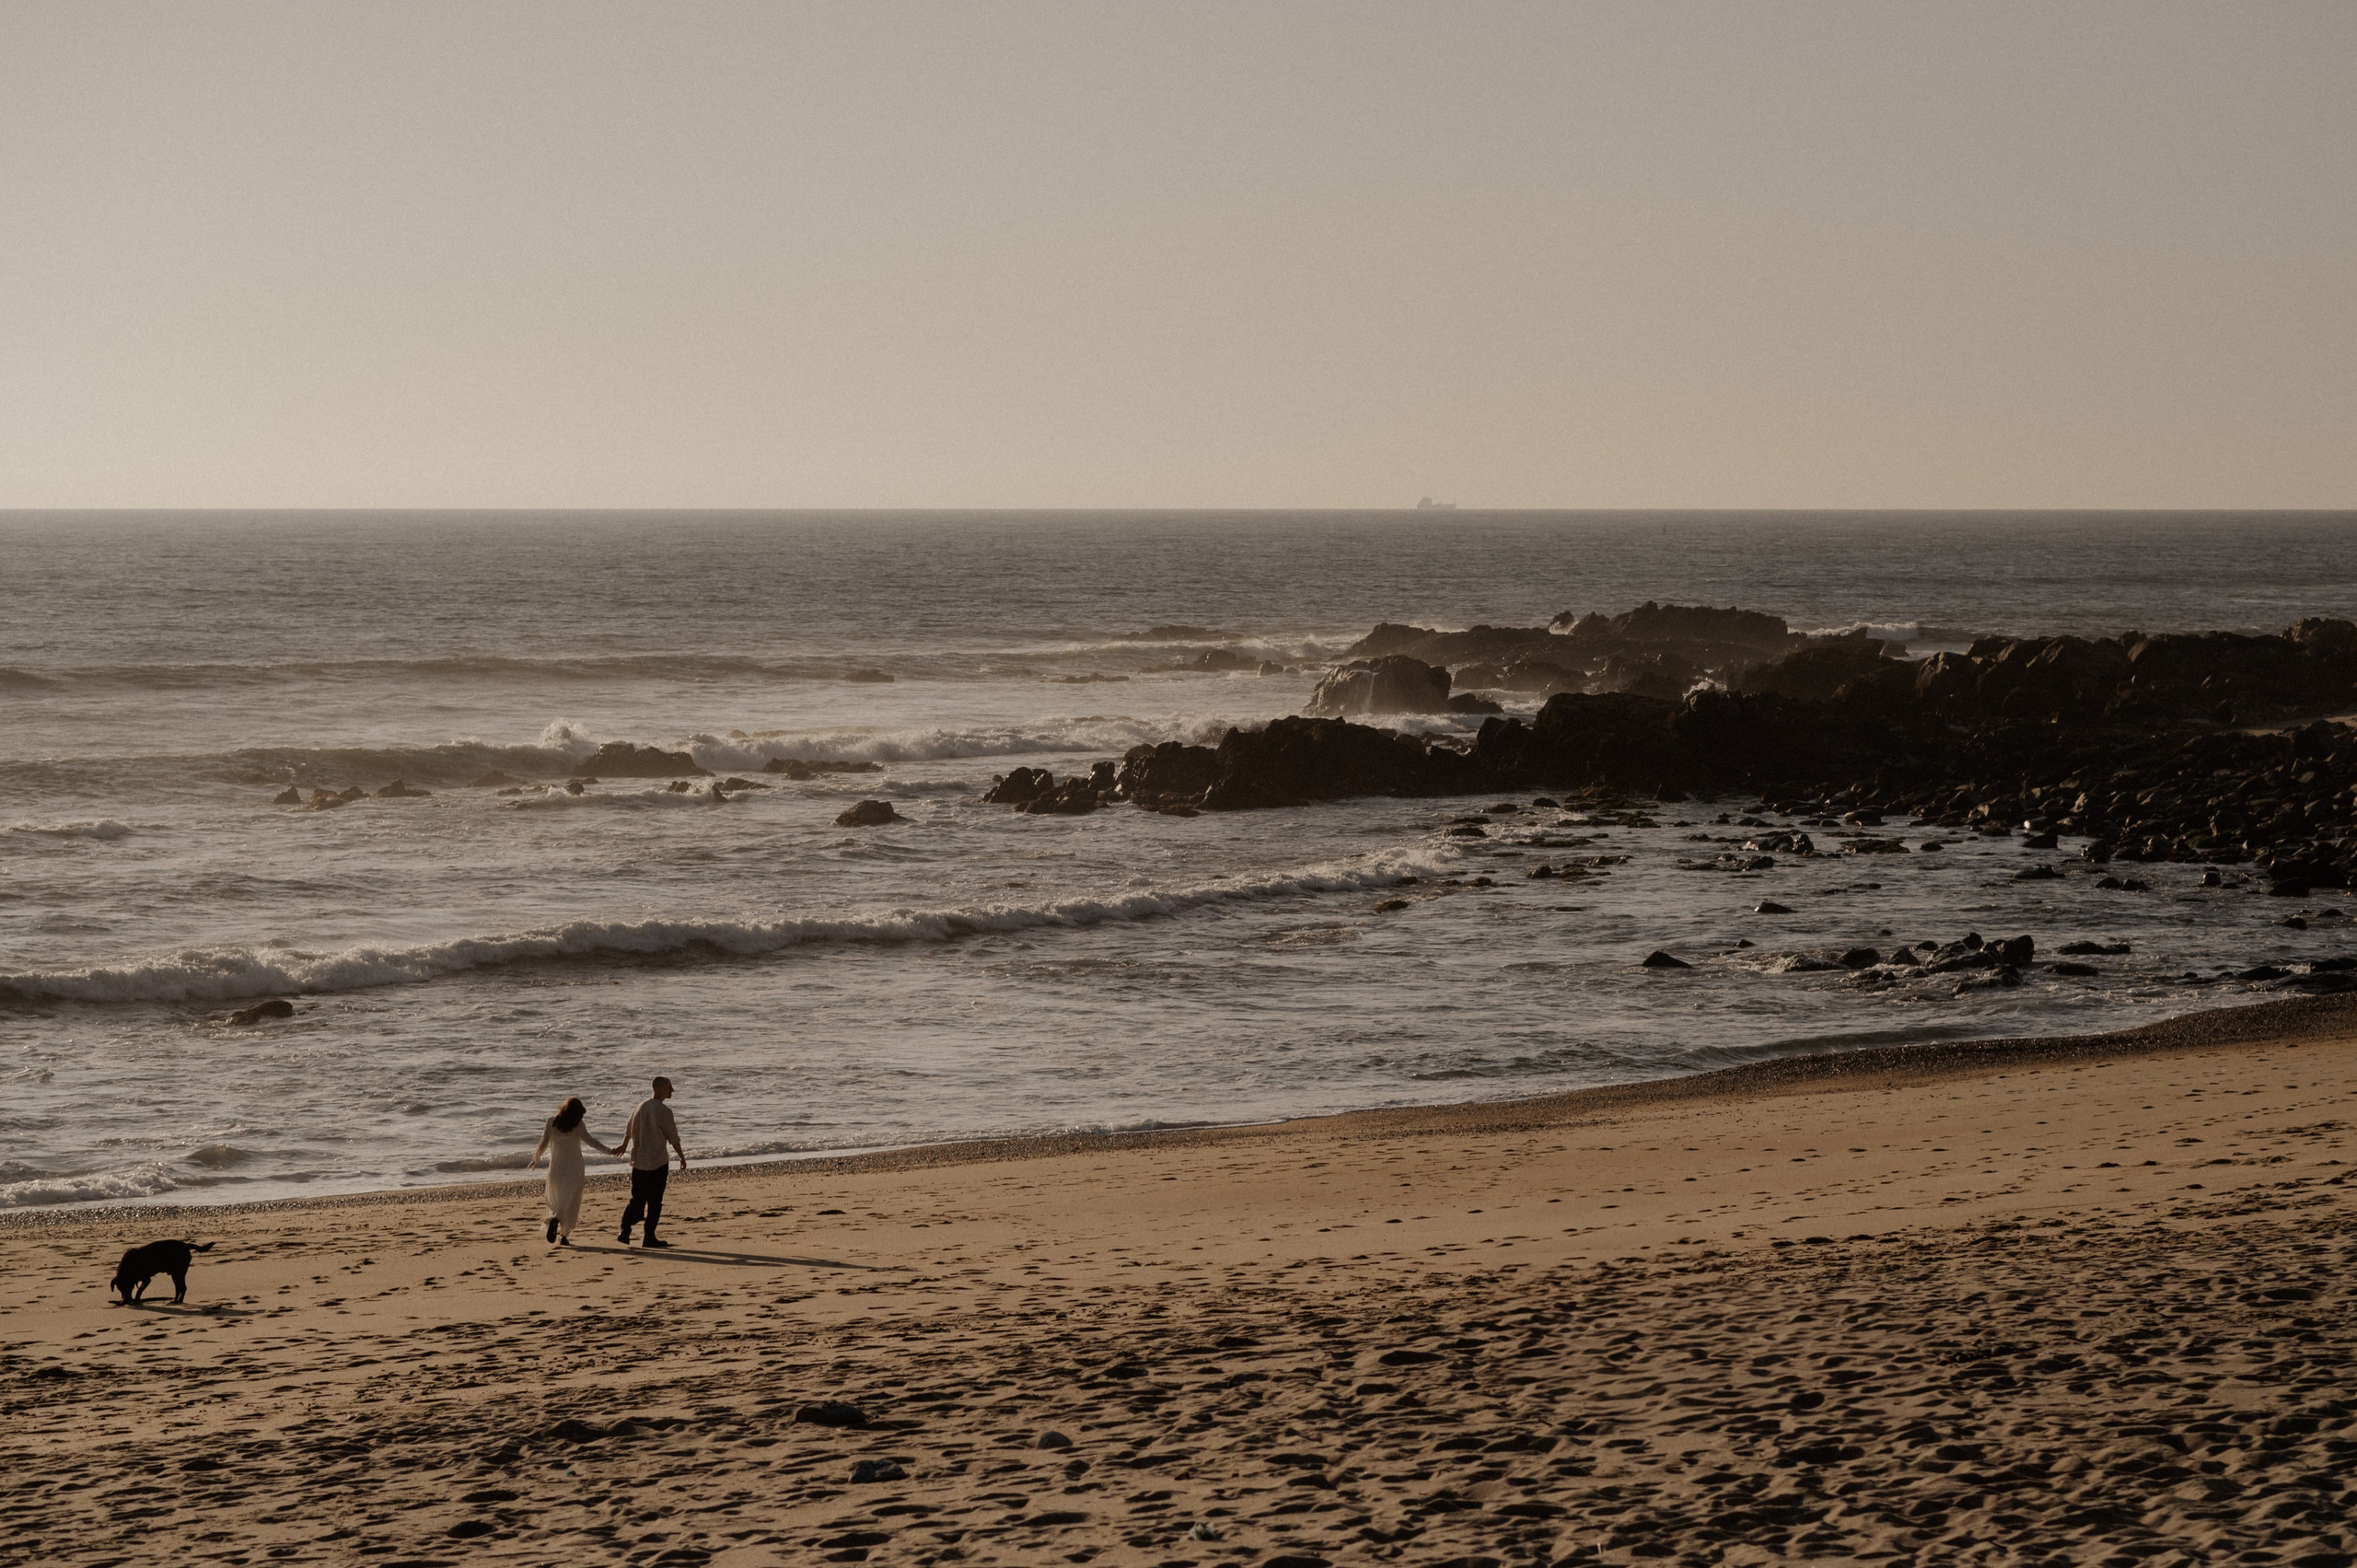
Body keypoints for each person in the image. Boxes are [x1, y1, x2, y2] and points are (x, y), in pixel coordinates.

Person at [528, 1097, 616, 1246]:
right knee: (571, 1201)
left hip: (557, 1167)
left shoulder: (551, 1122)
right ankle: (563, 1234)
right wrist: (610, 1151)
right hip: (574, 1167)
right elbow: (591, 1141)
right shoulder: (578, 1124)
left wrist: (535, 1159)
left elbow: (543, 1143)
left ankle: (555, 1219)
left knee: (557, 1198)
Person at [614, 1075, 686, 1249]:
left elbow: (629, 1129)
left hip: (639, 1161)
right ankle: (649, 1237)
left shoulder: (640, 1106)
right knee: (655, 1201)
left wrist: (624, 1146)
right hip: (657, 1161)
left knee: (637, 1199)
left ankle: (625, 1229)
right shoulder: (664, 1111)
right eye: (669, 1087)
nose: (672, 1090)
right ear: (659, 1088)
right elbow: (673, 1138)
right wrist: (682, 1157)